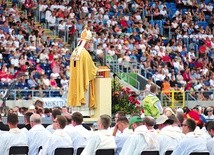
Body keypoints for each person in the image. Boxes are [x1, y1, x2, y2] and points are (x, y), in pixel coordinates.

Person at [67, 26, 98, 109]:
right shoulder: (84, 53)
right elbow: (91, 70)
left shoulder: (75, 51)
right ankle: (84, 111)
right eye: (89, 43)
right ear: (86, 43)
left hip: (75, 78)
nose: (89, 45)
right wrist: (96, 70)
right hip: (82, 78)